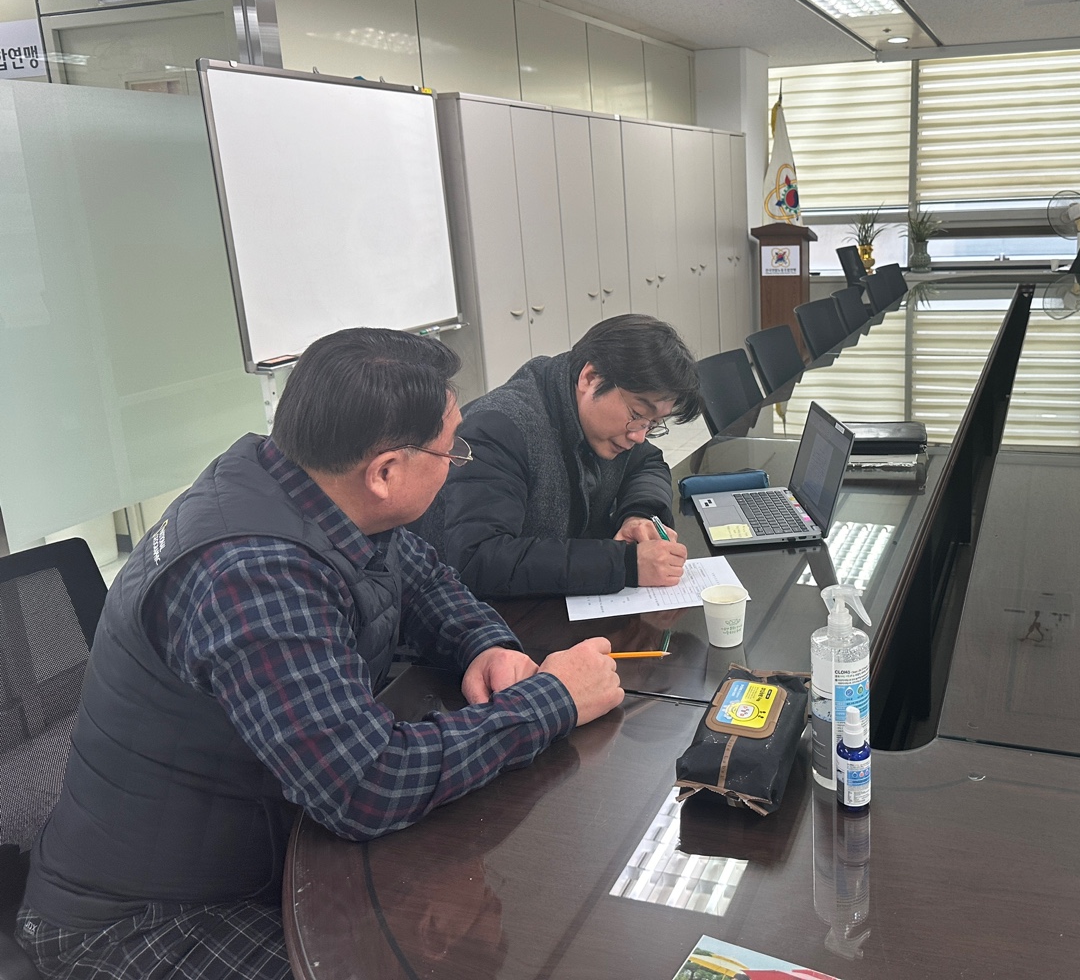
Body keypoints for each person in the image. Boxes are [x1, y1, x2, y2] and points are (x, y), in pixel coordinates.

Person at [17, 328, 624, 980]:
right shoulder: (251, 573)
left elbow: (422, 578)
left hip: (261, 847)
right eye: (452, 450)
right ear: (385, 472)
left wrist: (486, 644)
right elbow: (365, 785)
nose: (456, 464)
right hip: (143, 922)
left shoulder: (303, 484)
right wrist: (552, 701)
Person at [431, 314, 701, 599]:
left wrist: (638, 515)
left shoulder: (604, 424)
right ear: (590, 377)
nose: (639, 436)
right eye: (637, 414)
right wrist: (624, 564)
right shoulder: (499, 429)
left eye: (653, 424)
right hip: (475, 613)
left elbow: (647, 462)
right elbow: (479, 559)